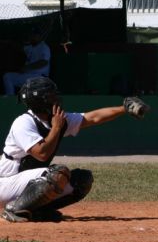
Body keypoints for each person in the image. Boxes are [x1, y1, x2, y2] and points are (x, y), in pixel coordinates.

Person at [0, 76, 149, 222]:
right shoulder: (24, 123)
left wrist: (124, 108)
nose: (56, 99)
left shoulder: (56, 119)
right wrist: (57, 127)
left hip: (26, 184)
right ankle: (12, 209)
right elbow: (41, 154)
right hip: (5, 184)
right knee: (57, 173)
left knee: (82, 180)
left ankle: (38, 211)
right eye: (51, 96)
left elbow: (92, 118)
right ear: (39, 101)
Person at [3, 27, 51, 96]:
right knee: (7, 76)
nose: (33, 37)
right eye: (32, 35)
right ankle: (10, 98)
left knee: (30, 96)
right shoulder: (30, 47)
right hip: (27, 76)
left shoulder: (44, 47)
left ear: (40, 36)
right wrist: (7, 42)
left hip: (39, 77)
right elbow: (20, 47)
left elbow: (44, 62)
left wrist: (27, 67)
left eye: (35, 35)